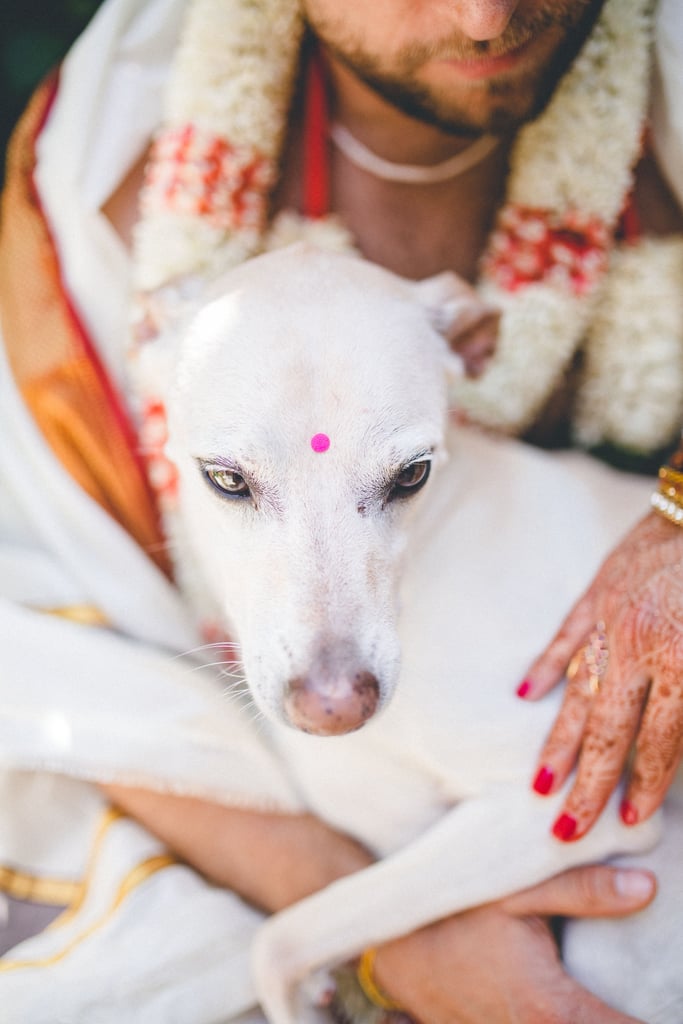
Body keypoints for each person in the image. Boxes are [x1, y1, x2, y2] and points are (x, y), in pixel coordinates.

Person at [0, 0, 682, 1021]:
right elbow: (54, 646)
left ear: (471, 343)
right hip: (271, 803)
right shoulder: (108, 190)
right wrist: (377, 938)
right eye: (233, 483)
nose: (485, 15)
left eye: (403, 477)